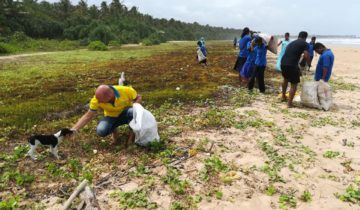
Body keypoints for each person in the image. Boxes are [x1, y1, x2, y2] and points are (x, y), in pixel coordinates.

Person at [71, 84, 142, 144]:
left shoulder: (126, 90)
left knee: (132, 111)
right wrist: (74, 129)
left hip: (126, 113)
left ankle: (131, 137)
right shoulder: (96, 99)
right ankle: (115, 133)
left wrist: (136, 105)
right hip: (111, 116)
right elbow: (88, 116)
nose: (98, 101)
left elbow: (138, 97)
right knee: (101, 131)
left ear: (109, 97)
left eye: (101, 100)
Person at [280, 31, 310, 108]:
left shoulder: (291, 43)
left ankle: (283, 96)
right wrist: (308, 64)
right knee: (294, 84)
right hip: (292, 64)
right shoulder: (305, 43)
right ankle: (289, 104)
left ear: (298, 36)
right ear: (305, 37)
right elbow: (306, 55)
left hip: (283, 63)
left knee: (285, 79)